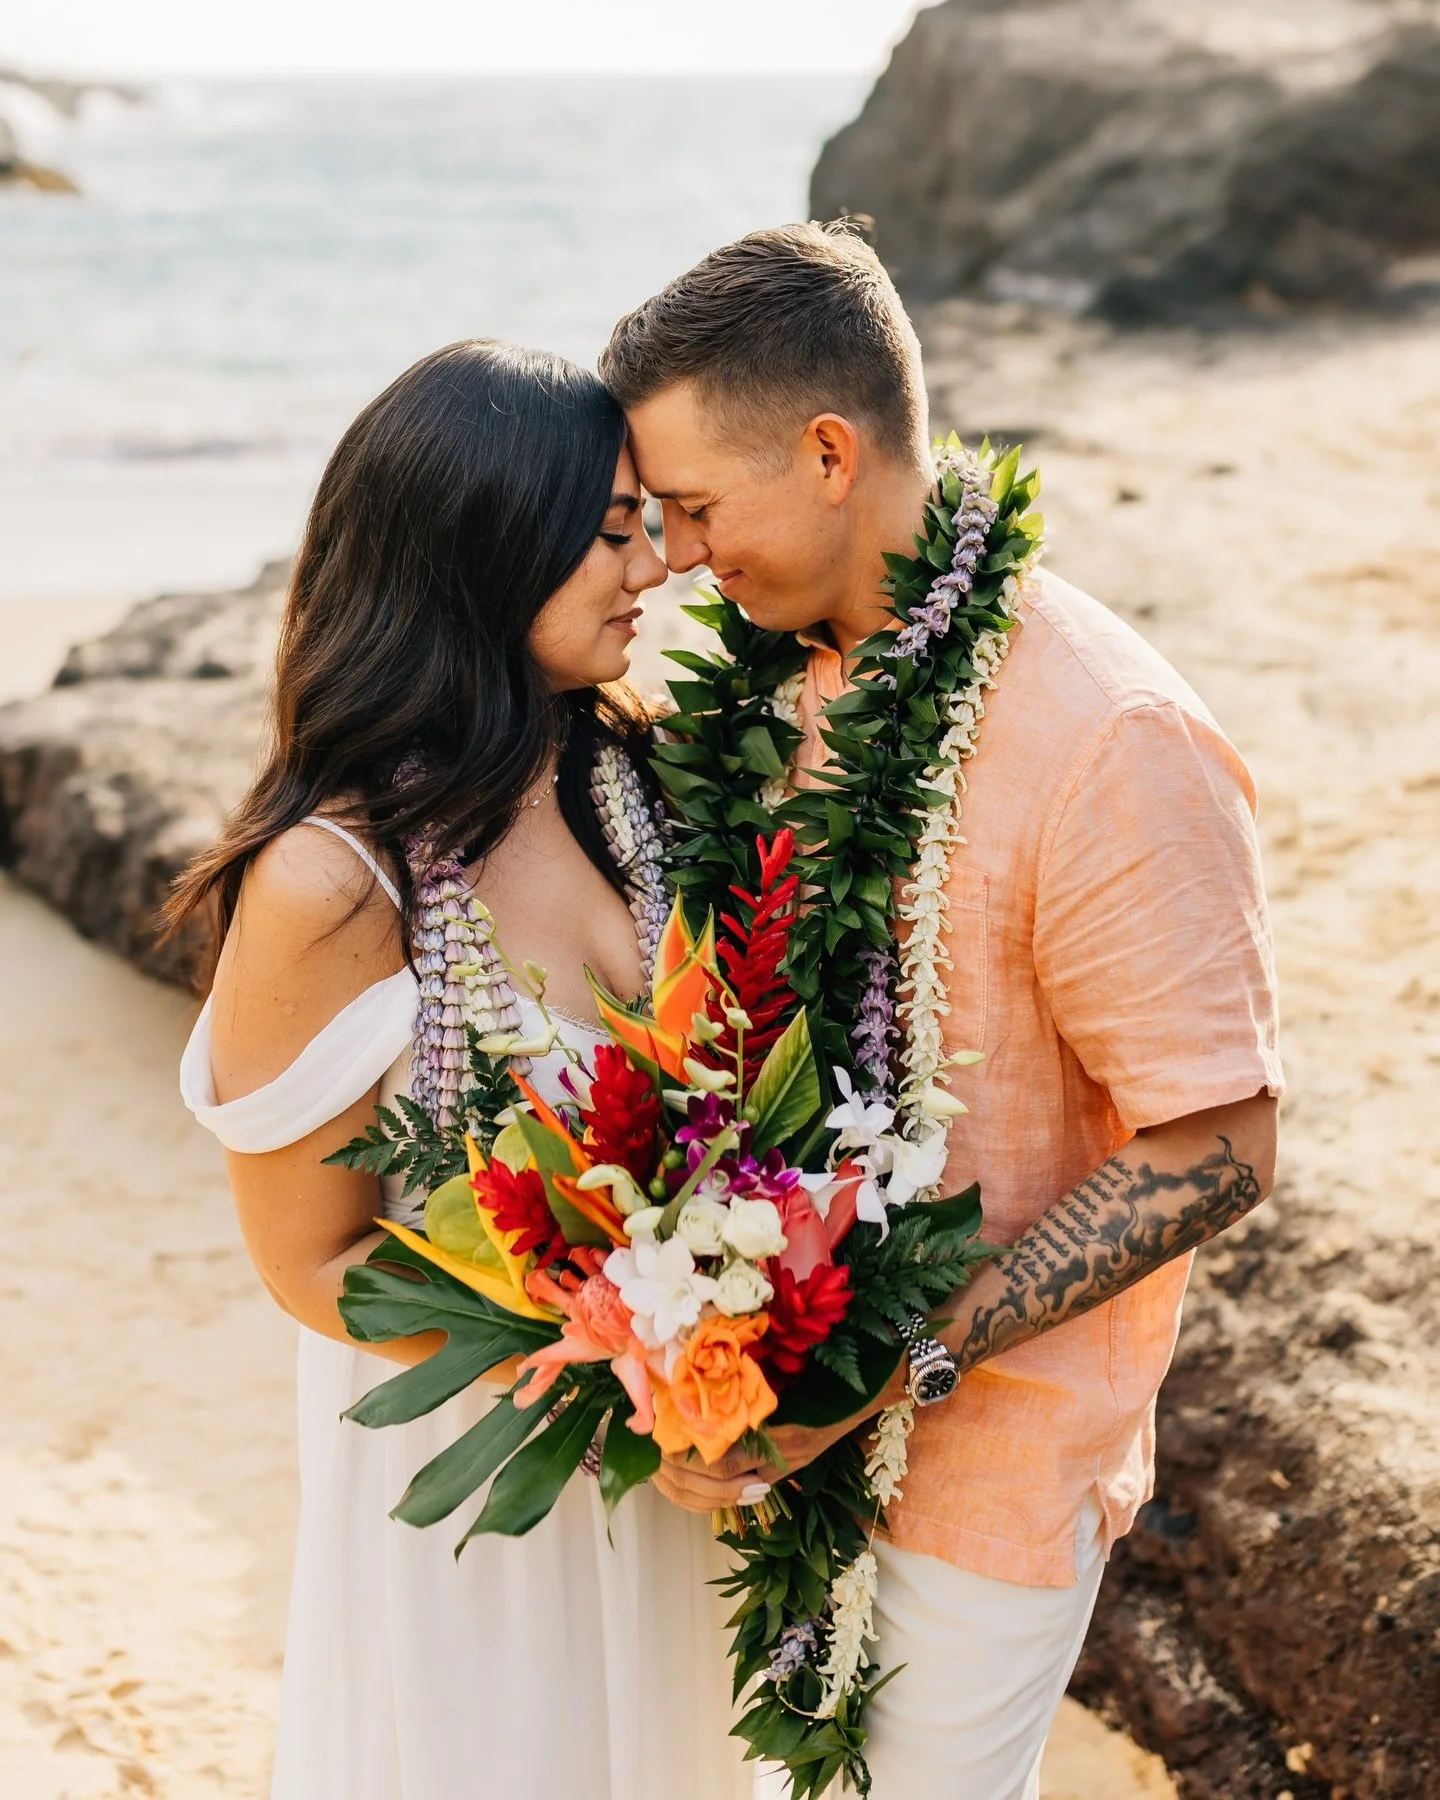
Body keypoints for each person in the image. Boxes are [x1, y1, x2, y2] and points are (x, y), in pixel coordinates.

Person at [601, 224, 1283, 1799]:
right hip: (760, 1440)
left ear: (831, 452)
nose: (686, 556)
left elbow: (1225, 1143)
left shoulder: (1111, 734)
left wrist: (875, 1375)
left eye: (700, 507)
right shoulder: (773, 689)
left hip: (985, 1481)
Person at [167, 341, 750, 1800]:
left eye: (653, 524)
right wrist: (620, 1366)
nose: (659, 565)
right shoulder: (331, 882)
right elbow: (310, 1264)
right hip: (487, 1498)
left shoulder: (635, 778)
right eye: (615, 531)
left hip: (685, 1479)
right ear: (488, 547)